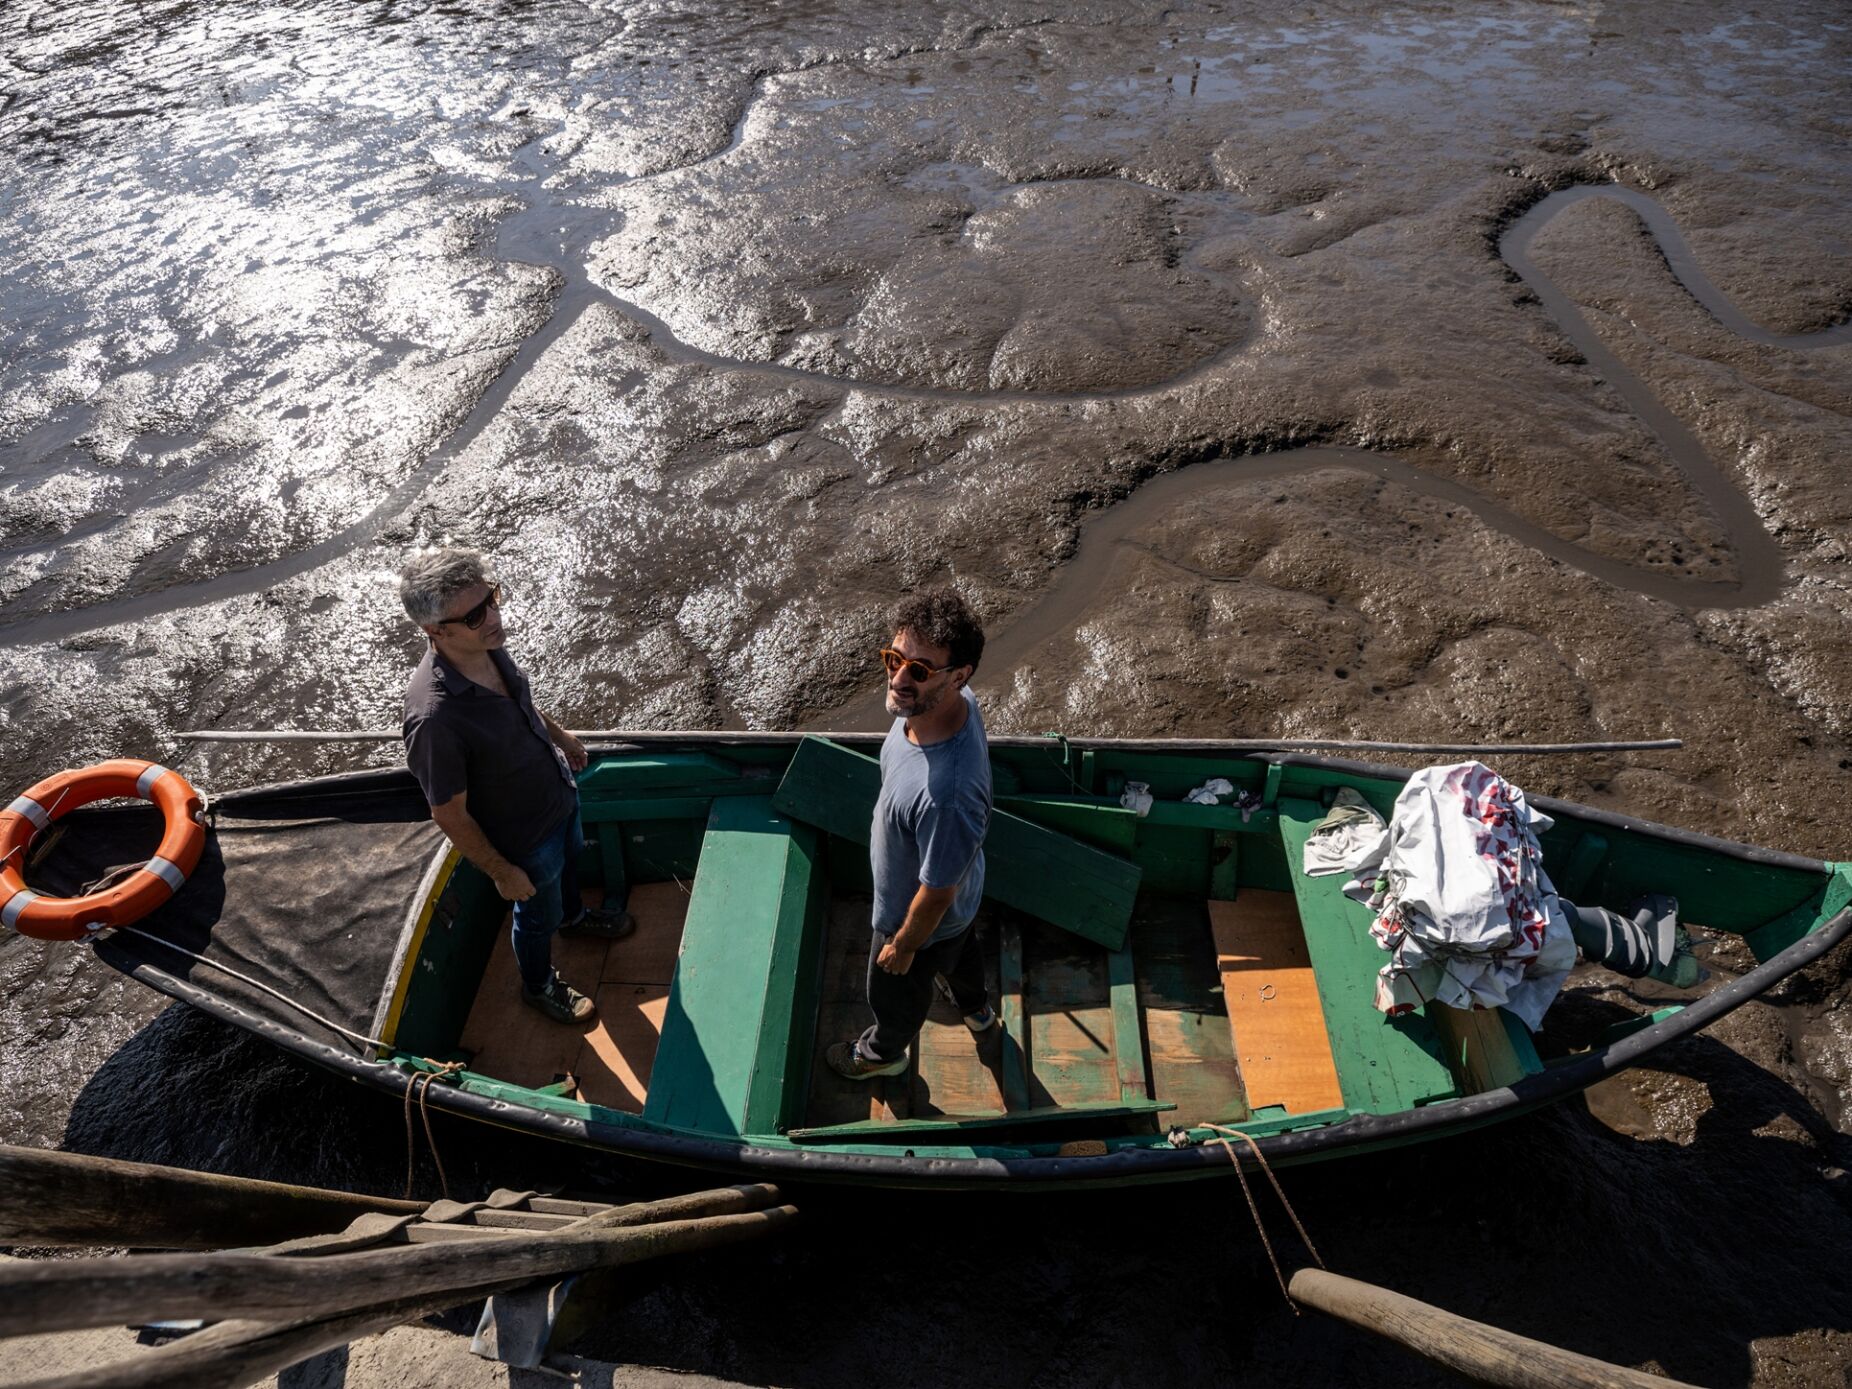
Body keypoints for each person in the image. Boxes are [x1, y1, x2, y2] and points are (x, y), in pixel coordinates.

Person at [398, 547, 632, 1025]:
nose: (495, 616)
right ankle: (539, 985)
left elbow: (519, 703)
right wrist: (502, 872)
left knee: (570, 868)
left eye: (494, 598)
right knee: (534, 916)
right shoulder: (434, 719)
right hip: (523, 840)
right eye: (477, 613)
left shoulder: (486, 644)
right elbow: (447, 813)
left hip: (558, 795)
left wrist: (561, 738)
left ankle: (575, 920)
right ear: (435, 630)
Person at [827, 588, 998, 1081]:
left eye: (919, 670)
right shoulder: (952, 703)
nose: (899, 678)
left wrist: (901, 946)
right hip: (961, 906)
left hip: (916, 918)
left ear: (958, 675)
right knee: (963, 953)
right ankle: (977, 1012)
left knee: (894, 991)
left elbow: (937, 892)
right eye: (894, 658)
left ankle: (883, 1054)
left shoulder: (947, 793)